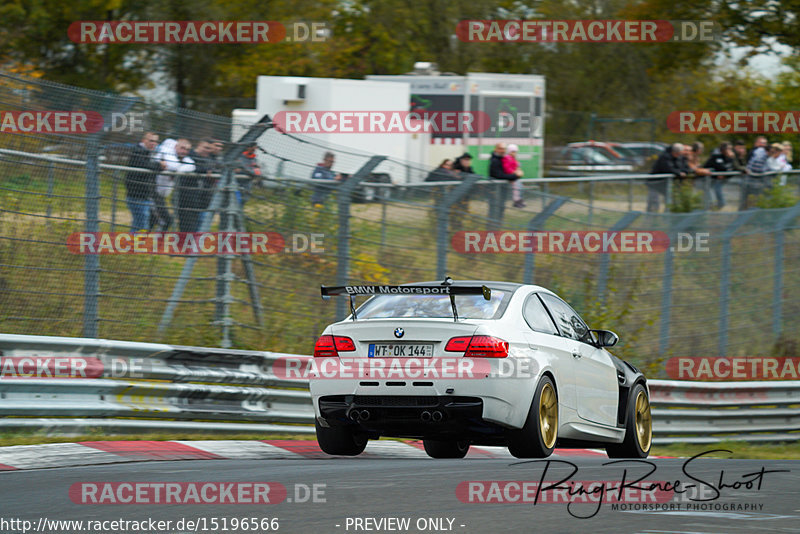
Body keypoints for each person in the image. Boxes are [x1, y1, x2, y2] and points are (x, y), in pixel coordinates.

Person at [124, 132, 166, 231]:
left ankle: (136, 244)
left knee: (143, 223)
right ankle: (134, 244)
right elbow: (146, 165)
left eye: (156, 141)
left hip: (145, 195)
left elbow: (152, 167)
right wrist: (159, 165)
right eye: (151, 140)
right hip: (136, 195)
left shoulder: (149, 153)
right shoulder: (138, 151)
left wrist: (158, 166)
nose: (154, 143)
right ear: (144, 140)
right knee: (141, 224)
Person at [151, 138, 195, 231]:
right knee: (166, 220)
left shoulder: (183, 159)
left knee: (151, 221)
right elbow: (173, 165)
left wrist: (178, 169)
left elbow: (192, 165)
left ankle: (148, 243)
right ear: (176, 147)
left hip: (161, 196)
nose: (184, 151)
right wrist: (179, 168)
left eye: (187, 150)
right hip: (152, 193)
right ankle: (152, 243)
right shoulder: (167, 153)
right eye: (182, 148)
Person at [176, 139, 216, 232]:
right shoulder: (190, 156)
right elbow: (193, 167)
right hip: (187, 200)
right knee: (188, 229)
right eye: (205, 147)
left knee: (200, 229)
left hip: (202, 200)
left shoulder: (209, 159)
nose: (207, 150)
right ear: (199, 145)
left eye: (209, 149)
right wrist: (206, 171)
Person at [648, 143, 687, 212]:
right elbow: (668, 168)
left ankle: (667, 216)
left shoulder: (678, 158)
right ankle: (651, 218)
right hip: (655, 183)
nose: (679, 155)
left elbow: (682, 167)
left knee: (669, 201)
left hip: (665, 184)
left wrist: (684, 172)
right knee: (654, 202)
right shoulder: (665, 157)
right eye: (678, 153)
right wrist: (679, 173)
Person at [489, 142, 522, 209]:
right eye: (500, 149)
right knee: (495, 209)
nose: (502, 150)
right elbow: (499, 175)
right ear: (496, 149)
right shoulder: (495, 161)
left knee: (501, 208)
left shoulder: (503, 158)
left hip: (501, 190)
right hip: (495, 190)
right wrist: (515, 176)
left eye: (504, 149)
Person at [703, 142, 734, 210]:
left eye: (731, 149)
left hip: (721, 181)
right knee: (712, 196)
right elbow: (719, 167)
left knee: (719, 193)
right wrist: (717, 173)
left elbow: (732, 169)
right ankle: (713, 207)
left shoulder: (730, 158)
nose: (730, 150)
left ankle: (719, 206)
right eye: (728, 149)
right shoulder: (715, 157)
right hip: (710, 180)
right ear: (723, 149)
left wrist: (725, 175)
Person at [503, 144, 526, 208]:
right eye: (513, 151)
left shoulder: (513, 159)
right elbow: (507, 168)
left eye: (515, 152)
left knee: (520, 186)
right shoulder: (507, 158)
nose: (515, 153)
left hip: (515, 176)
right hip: (511, 176)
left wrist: (518, 168)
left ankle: (520, 199)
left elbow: (516, 166)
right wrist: (514, 172)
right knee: (516, 187)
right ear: (509, 151)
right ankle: (516, 200)